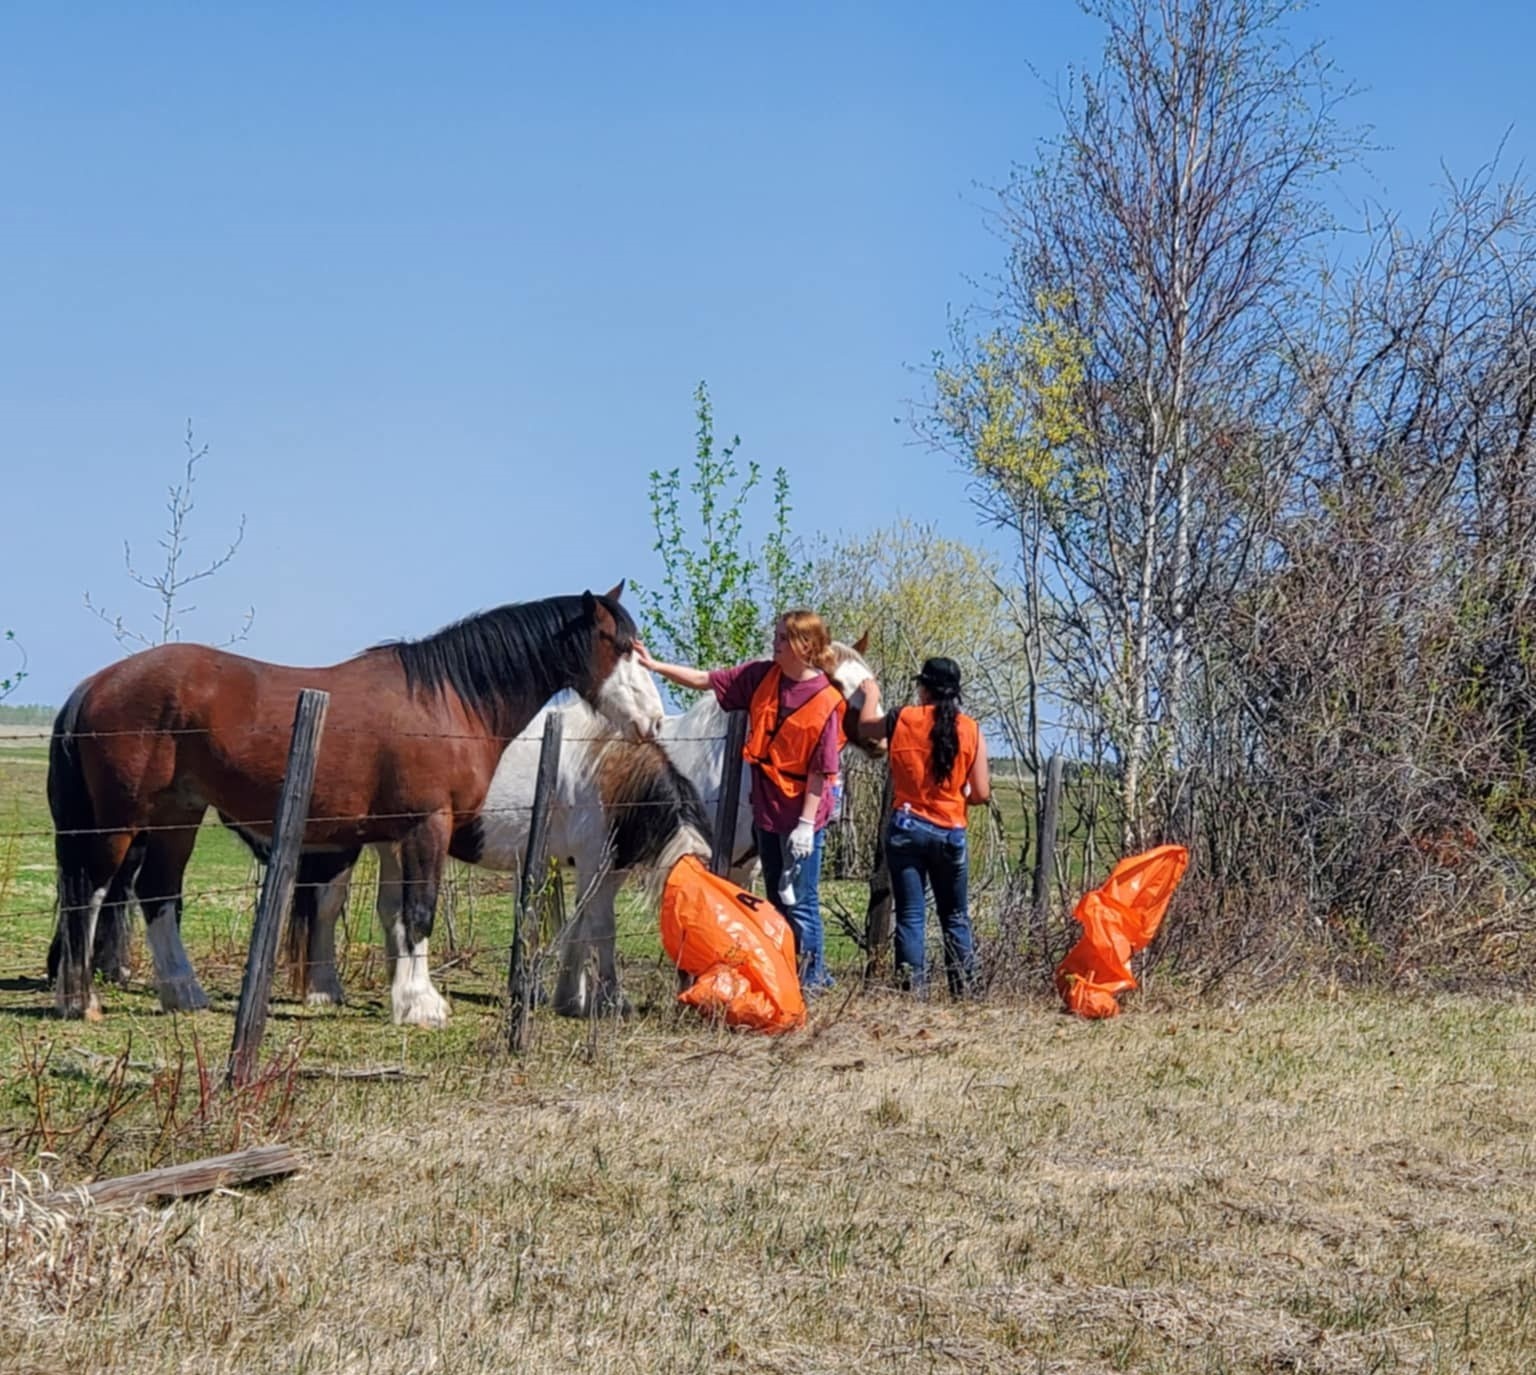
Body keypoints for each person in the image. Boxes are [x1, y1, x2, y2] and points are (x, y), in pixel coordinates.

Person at [637, 611, 845, 991]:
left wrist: (805, 825)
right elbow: (705, 680)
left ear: (803, 646)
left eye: (783, 637)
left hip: (802, 816)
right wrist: (654, 666)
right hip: (767, 811)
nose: (775, 642)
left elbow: (820, 770)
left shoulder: (826, 702)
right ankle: (785, 976)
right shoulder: (760, 677)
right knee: (775, 901)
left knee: (802, 902)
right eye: (777, 634)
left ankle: (812, 981)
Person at [852, 656, 990, 996]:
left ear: (923, 688)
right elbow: (982, 793)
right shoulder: (970, 729)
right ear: (956, 693)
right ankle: (965, 992)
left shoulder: (904, 718)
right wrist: (962, 795)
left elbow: (865, 726)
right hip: (950, 831)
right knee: (955, 917)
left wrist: (871, 692)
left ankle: (912, 993)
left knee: (911, 916)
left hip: (907, 827)